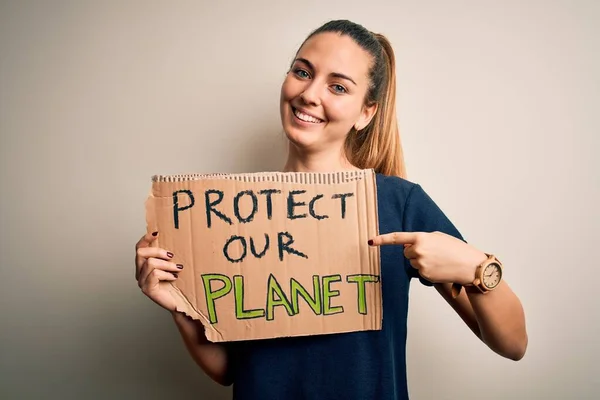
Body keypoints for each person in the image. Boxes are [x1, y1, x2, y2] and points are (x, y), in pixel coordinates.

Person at [134, 19, 527, 400]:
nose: (310, 94)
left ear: (365, 113)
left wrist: (478, 268)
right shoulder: (232, 213)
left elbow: (512, 343)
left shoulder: (399, 204)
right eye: (302, 72)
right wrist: (180, 305)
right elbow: (231, 373)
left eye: (337, 86)